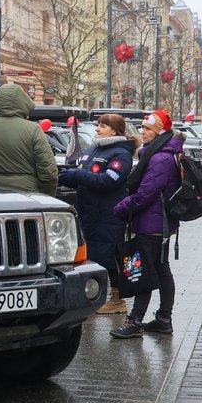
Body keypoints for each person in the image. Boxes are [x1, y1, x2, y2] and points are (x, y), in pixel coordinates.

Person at [109, 110, 184, 339]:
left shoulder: (160, 157)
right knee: (161, 270)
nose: (142, 131)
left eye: (148, 128)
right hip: (160, 222)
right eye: (142, 127)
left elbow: (145, 194)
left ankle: (135, 321)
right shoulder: (161, 152)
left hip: (152, 223)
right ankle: (163, 319)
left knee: (141, 270)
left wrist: (120, 208)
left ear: (160, 132)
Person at [58, 114, 137, 315]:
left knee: (110, 257)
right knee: (91, 257)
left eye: (103, 126)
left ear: (115, 130)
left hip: (108, 214)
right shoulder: (94, 149)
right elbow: (85, 174)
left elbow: (109, 180)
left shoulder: (121, 153)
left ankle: (118, 300)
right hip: (89, 212)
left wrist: (79, 175)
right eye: (98, 125)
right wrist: (69, 176)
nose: (97, 129)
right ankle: (91, 297)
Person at [0, 84, 57, 195]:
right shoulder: (33, 130)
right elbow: (48, 171)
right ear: (23, 104)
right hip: (27, 195)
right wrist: (46, 195)